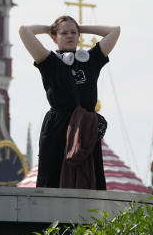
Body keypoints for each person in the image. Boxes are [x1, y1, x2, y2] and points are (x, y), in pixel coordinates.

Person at [19, 16, 120, 189]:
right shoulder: (49, 61)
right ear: (54, 37)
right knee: (52, 180)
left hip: (85, 128)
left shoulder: (90, 60)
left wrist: (80, 27)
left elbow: (115, 30)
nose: (70, 36)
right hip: (57, 127)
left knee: (90, 180)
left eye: (74, 32)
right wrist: (49, 28)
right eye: (64, 33)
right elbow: (24, 31)